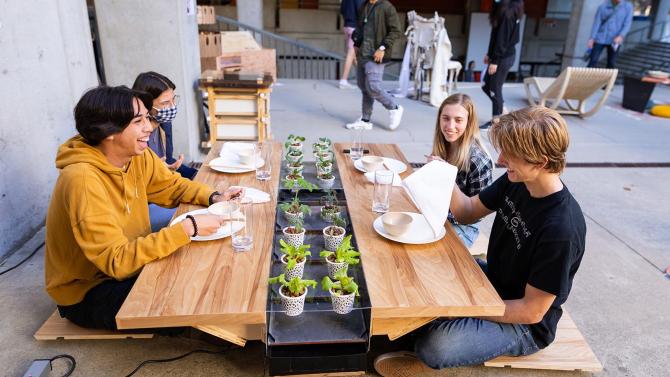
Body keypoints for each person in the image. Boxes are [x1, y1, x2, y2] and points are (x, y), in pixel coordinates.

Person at [373, 106, 586, 375]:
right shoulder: (518, 181)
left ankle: (427, 337)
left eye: (510, 153)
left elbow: (531, 312)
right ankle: (430, 325)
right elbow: (467, 211)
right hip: (491, 283)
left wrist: (462, 307)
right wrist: (444, 174)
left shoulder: (561, 230)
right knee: (421, 270)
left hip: (524, 324)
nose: (501, 159)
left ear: (540, 162)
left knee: (436, 347)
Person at [45, 86, 243, 330]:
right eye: (138, 121)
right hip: (90, 290)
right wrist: (187, 228)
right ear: (109, 131)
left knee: (206, 268)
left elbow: (171, 186)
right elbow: (116, 262)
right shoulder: (82, 180)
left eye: (147, 118)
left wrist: (214, 196)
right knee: (197, 296)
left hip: (131, 264)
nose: (149, 127)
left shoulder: (136, 155)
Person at [132, 71, 198, 231]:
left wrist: (194, 173)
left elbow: (166, 161)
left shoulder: (163, 124)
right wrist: (158, 172)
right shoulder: (135, 137)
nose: (172, 107)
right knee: (193, 215)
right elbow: (138, 186)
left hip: (165, 186)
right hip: (146, 202)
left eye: (174, 100)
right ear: (146, 106)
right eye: (165, 103)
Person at [426, 93, 492, 247]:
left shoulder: (478, 161)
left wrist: (445, 175)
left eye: (458, 120)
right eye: (446, 118)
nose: (450, 126)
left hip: (463, 226)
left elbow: (478, 214)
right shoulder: (443, 147)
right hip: (435, 215)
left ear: (469, 123)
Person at [345, 0, 403, 131]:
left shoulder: (387, 7)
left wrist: (382, 48)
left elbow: (395, 31)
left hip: (376, 54)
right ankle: (365, 120)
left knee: (373, 86)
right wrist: (355, 46)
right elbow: (360, 29)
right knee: (364, 87)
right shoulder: (364, 6)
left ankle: (394, 107)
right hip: (362, 53)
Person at [481, 0, 524, 129]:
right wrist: (489, 54)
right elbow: (495, 35)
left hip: (503, 58)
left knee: (494, 88)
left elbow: (502, 40)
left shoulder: (508, 12)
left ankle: (496, 121)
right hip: (502, 56)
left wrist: (495, 61)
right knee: (486, 85)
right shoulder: (505, 9)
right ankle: (502, 109)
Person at [587, 0, 633, 69]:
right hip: (600, 38)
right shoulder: (603, 6)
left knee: (611, 63)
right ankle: (587, 79)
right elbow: (597, 23)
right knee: (593, 61)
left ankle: (608, 79)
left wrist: (621, 36)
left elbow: (627, 24)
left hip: (615, 40)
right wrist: (592, 38)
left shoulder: (628, 6)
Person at [339, 0, 365, 89]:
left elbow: (342, 11)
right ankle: (343, 80)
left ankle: (362, 80)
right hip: (355, 28)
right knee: (351, 54)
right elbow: (362, 12)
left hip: (346, 26)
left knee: (354, 55)